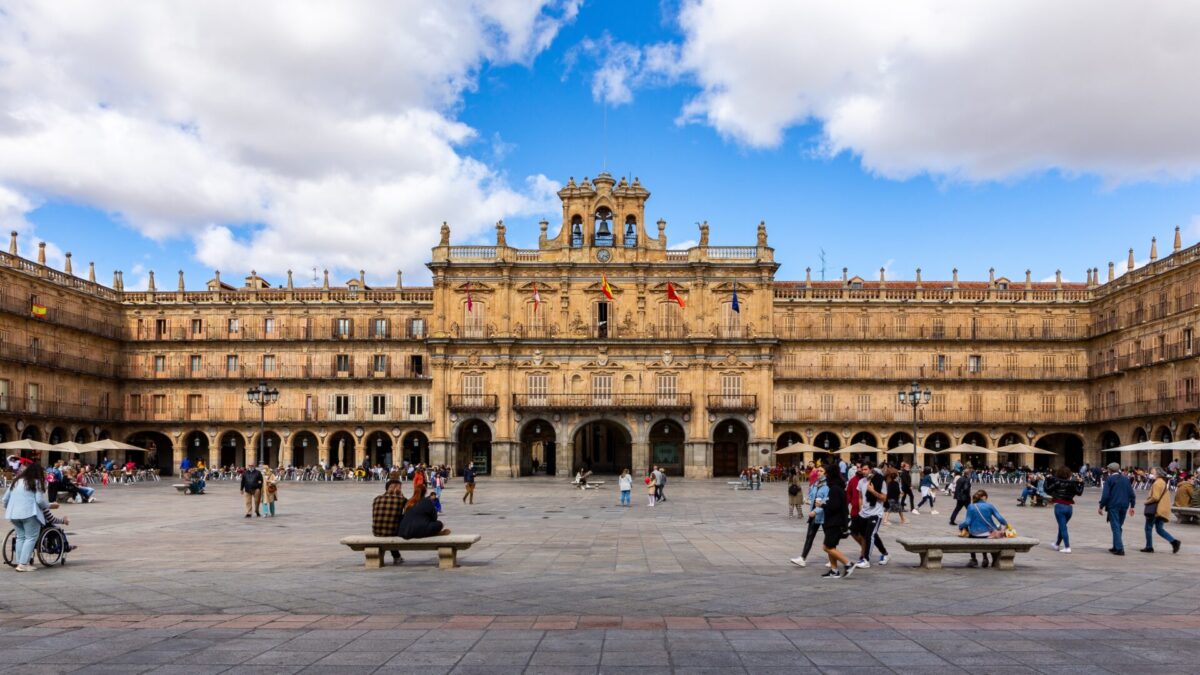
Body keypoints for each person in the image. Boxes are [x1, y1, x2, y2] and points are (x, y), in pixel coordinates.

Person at [3, 462, 52, 572]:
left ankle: (19, 562)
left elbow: (4, 499)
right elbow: (40, 501)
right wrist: (49, 505)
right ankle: (23, 564)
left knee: (21, 537)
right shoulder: (36, 482)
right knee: (30, 537)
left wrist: (11, 508)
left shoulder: (15, 482)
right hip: (30, 513)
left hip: (13, 514)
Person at [819, 468, 856, 579]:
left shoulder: (834, 489)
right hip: (836, 521)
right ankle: (834, 571)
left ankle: (848, 563)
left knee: (827, 547)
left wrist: (822, 505)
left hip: (835, 522)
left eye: (826, 474)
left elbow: (834, 507)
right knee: (832, 546)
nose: (825, 476)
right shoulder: (838, 487)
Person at [959, 490, 1009, 568]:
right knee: (992, 531)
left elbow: (967, 522)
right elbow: (1001, 519)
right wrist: (1006, 525)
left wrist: (960, 526)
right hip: (989, 534)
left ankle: (973, 559)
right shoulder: (990, 506)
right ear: (984, 497)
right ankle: (985, 558)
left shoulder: (971, 506)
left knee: (970, 534)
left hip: (975, 534)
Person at [790, 467, 828, 567]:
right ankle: (802, 558)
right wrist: (807, 500)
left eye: (821, 471)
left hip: (823, 515)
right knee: (810, 536)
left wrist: (816, 511)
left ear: (826, 473)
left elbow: (826, 501)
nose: (819, 472)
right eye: (818, 471)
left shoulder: (828, 485)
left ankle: (832, 559)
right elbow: (812, 496)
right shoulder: (815, 484)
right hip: (814, 515)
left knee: (829, 538)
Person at [853, 462, 889, 568]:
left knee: (870, 535)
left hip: (876, 513)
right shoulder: (861, 482)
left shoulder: (880, 481)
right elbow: (860, 497)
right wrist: (860, 509)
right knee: (871, 535)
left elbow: (884, 498)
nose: (863, 471)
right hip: (864, 513)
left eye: (865, 469)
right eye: (862, 469)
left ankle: (866, 560)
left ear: (870, 469)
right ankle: (885, 554)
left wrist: (872, 491)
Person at [1098, 462, 1136, 555]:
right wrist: (1132, 506)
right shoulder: (1126, 479)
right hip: (1124, 506)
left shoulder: (1109, 479)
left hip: (1113, 506)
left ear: (1110, 470)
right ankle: (1115, 546)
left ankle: (1119, 549)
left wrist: (1101, 506)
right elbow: (1132, 494)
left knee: (1115, 527)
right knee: (1118, 526)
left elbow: (1106, 495)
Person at [1044, 466, 1084, 553]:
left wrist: (1046, 480)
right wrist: (1082, 483)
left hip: (1059, 506)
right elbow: (1079, 492)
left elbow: (1047, 490)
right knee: (1062, 527)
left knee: (1063, 528)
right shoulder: (1072, 483)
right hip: (1069, 508)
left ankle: (1067, 547)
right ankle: (1057, 544)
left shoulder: (1057, 482)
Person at [1142, 467, 1181, 554]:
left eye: (1152, 472)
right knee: (1159, 529)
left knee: (1148, 528)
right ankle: (1174, 542)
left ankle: (1149, 547)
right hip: (1162, 509)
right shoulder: (1163, 482)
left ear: (1157, 474)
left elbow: (1155, 497)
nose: (1151, 474)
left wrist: (1146, 502)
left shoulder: (1157, 483)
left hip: (1156, 510)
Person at [372, 479, 407, 563]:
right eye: (400, 488)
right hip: (392, 532)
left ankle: (397, 557)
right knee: (401, 519)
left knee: (390, 521)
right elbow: (410, 512)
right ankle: (397, 557)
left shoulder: (377, 498)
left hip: (377, 532)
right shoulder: (402, 500)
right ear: (396, 488)